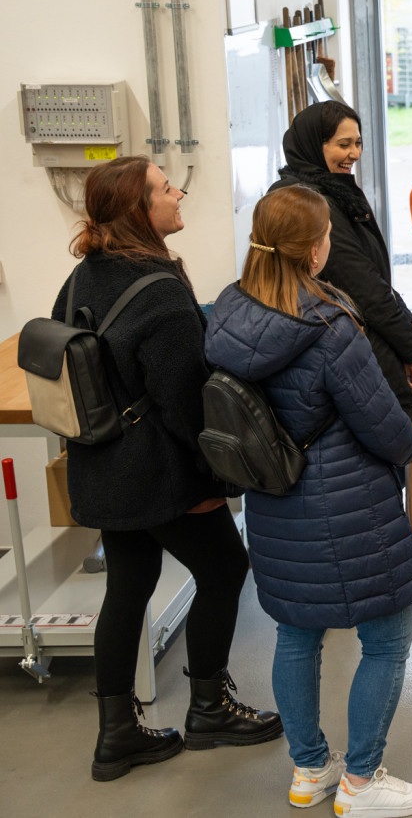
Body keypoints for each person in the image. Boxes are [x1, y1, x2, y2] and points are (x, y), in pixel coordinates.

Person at [204, 186, 412, 816]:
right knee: (386, 637)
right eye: (328, 233)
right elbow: (389, 434)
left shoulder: (229, 313)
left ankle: (310, 769)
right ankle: (360, 782)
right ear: (312, 252)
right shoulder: (328, 327)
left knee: (297, 634)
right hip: (349, 507)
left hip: (274, 505)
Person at [53, 156, 280, 782]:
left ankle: (116, 735)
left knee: (128, 585)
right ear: (138, 210)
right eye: (164, 187)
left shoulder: (83, 275)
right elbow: (185, 404)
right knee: (225, 568)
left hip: (102, 463)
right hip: (157, 470)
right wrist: (215, 481)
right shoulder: (159, 292)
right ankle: (209, 709)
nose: (178, 192)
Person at [271, 101, 412, 434]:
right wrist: (411, 349)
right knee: (407, 444)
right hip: (356, 352)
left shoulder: (327, 191)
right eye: (343, 144)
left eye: (358, 143)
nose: (354, 153)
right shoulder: (314, 203)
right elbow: (364, 287)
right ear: (314, 145)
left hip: (359, 344)